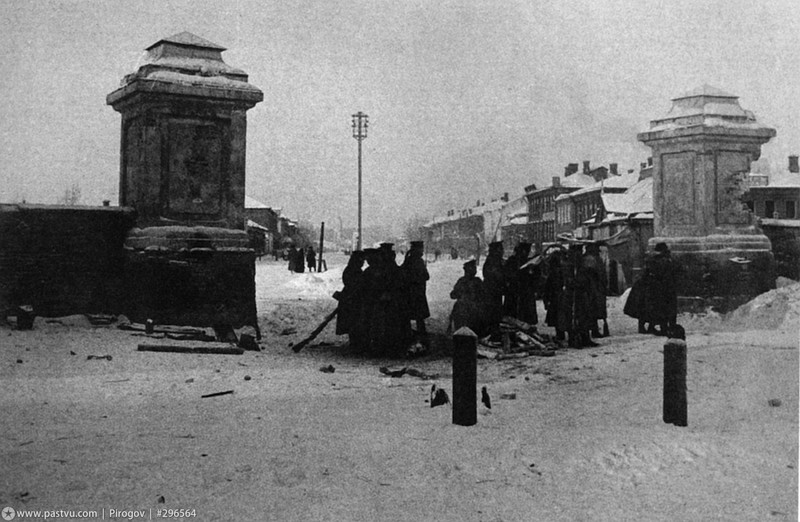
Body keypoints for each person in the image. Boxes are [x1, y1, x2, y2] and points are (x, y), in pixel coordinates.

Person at [643, 242, 681, 335]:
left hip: (659, 289)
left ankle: (664, 327)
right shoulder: (665, 260)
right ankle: (669, 328)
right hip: (667, 288)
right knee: (669, 308)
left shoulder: (653, 260)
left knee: (661, 309)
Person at [336, 250, 367, 350]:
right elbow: (355, 285)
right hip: (352, 299)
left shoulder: (351, 269)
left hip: (350, 298)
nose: (363, 262)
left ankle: (356, 342)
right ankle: (356, 343)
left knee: (353, 321)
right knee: (354, 320)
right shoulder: (354, 271)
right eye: (362, 260)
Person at [450, 259, 488, 336]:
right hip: (474, 311)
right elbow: (484, 295)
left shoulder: (462, 281)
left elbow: (453, 295)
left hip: (462, 310)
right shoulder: (477, 281)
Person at [401, 241, 430, 340]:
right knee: (419, 315)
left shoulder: (408, 260)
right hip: (417, 292)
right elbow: (426, 276)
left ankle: (407, 333)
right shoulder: (419, 261)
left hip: (409, 291)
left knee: (408, 314)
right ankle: (421, 334)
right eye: (421, 248)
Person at [482, 241, 505, 336]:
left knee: (495, 312)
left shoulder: (495, 260)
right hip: (492, 290)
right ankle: (491, 332)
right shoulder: (493, 261)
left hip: (495, 290)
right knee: (492, 312)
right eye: (501, 249)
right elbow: (495, 275)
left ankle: (493, 330)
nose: (502, 251)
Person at [542, 248, 567, 340]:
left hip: (555, 298)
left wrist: (546, 300)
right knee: (560, 317)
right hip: (558, 297)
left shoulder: (553, 273)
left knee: (557, 317)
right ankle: (561, 334)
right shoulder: (559, 272)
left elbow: (547, 288)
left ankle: (560, 334)